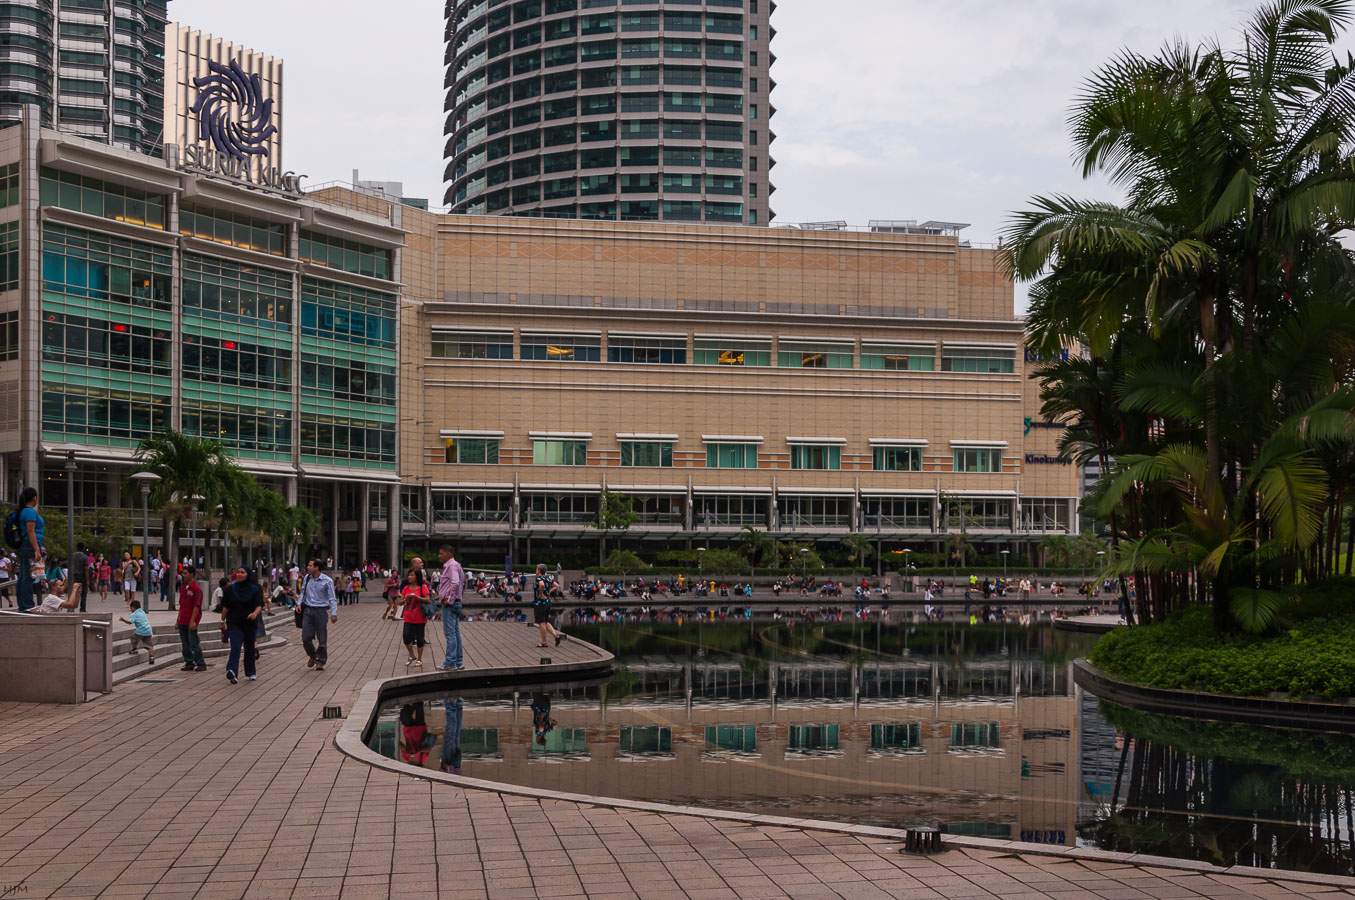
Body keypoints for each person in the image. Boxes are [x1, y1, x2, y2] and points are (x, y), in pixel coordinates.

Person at [220, 565, 264, 683]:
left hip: (249, 623)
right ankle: (232, 671)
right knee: (235, 646)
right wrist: (221, 621)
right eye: (238, 572)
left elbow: (259, 604)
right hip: (234, 622)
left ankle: (251, 672)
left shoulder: (255, 589)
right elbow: (225, 606)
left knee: (249, 648)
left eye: (242, 572)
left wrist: (255, 613)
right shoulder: (230, 589)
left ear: (248, 575)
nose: (239, 574)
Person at [297, 559, 338, 672]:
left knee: (322, 638)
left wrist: (334, 613)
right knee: (306, 637)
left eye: (310, 565)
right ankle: (313, 655)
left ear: (317, 567)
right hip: (308, 611)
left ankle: (320, 661)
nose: (307, 567)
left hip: (321, 611)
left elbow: (332, 598)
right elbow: (303, 593)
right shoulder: (307, 578)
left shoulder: (327, 581)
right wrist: (299, 604)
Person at [435, 544, 465, 671]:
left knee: (450, 633)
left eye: (441, 553)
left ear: (448, 554)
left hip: (450, 604)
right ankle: (458, 662)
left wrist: (449, 599)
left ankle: (450, 663)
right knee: (455, 632)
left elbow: (456, 582)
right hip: (456, 602)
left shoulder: (451, 566)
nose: (439, 556)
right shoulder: (456, 565)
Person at [15, 487, 43, 612]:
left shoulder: (22, 511)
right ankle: (27, 605)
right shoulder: (30, 512)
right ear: (34, 498)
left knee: (23, 575)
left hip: (24, 546)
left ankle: (23, 604)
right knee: (28, 576)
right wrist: (37, 549)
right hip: (29, 545)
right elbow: (30, 531)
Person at [398, 569, 431, 667]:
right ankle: (412, 655)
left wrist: (417, 598)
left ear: (417, 577)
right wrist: (405, 600)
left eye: (412, 575)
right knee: (406, 637)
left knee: (420, 638)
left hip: (420, 617)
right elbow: (400, 602)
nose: (409, 577)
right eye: (409, 575)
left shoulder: (423, 587)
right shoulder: (406, 588)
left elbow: (428, 600)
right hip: (408, 616)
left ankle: (419, 659)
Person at [176, 566, 206, 672]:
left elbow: (197, 606)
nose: (183, 575)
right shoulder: (183, 588)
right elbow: (181, 605)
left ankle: (200, 663)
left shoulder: (196, 589)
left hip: (191, 619)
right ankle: (189, 662)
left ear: (191, 574)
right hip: (182, 619)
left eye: (185, 573)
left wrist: (193, 621)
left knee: (193, 642)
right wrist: (177, 620)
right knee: (185, 643)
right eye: (182, 573)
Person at [532, 563, 567, 648]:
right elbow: (556, 585)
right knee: (546, 621)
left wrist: (540, 593)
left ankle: (544, 642)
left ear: (539, 570)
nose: (536, 570)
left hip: (540, 603)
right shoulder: (547, 578)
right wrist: (548, 592)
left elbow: (541, 585)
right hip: (548, 602)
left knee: (541, 622)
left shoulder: (538, 578)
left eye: (536, 569)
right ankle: (556, 636)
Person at [120, 600, 155, 664]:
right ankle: (151, 657)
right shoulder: (143, 612)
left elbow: (130, 622)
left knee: (133, 638)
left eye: (131, 608)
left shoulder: (134, 614)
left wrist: (123, 620)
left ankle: (134, 649)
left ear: (133, 608)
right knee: (149, 645)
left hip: (141, 630)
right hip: (148, 630)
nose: (131, 610)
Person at [440, 696, 463, 774]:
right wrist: (445, 767)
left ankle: (459, 703)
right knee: (451, 733)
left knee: (456, 733)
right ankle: (449, 704)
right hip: (449, 761)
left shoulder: (459, 783)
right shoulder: (449, 783)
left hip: (456, 763)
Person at [68, 542, 89, 613]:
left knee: (73, 592)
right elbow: (86, 569)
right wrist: (87, 579)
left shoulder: (72, 556)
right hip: (81, 576)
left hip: (73, 576)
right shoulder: (85, 557)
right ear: (83, 548)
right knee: (83, 593)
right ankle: (82, 609)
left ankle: (71, 607)